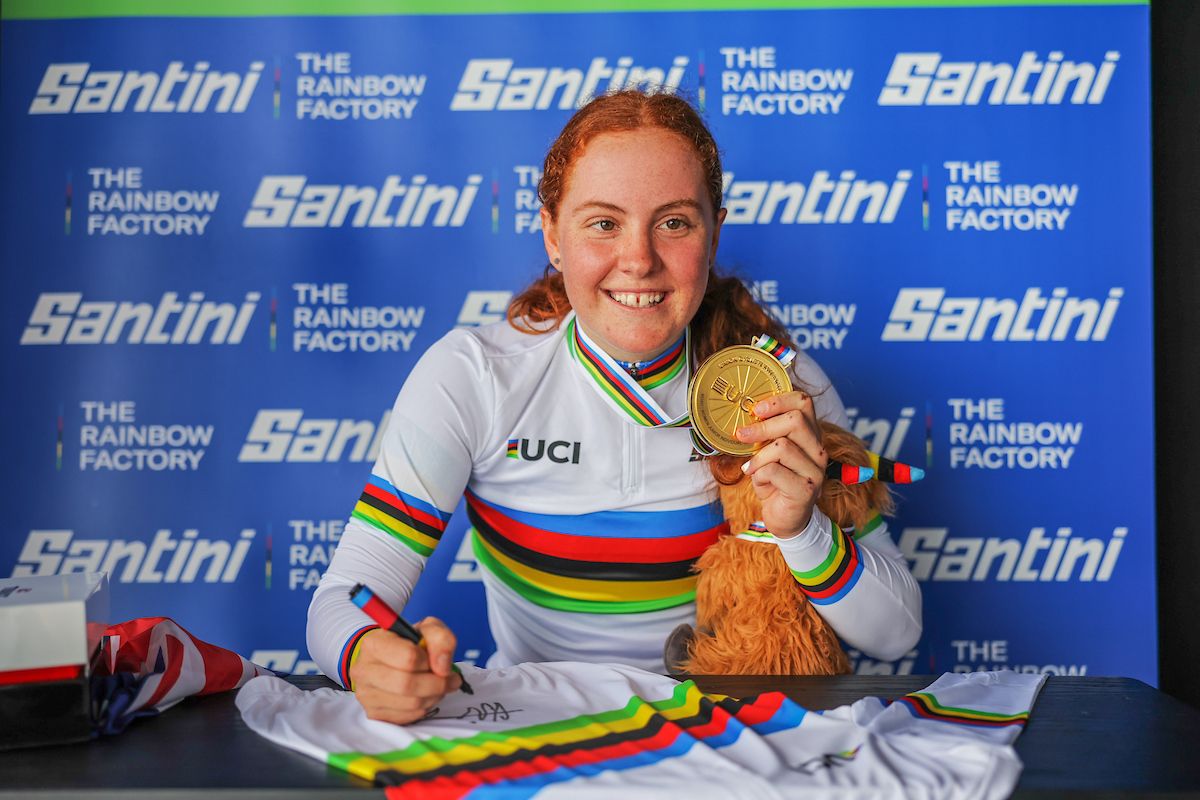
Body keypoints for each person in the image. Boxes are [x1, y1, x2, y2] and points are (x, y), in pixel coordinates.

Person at [307, 90, 922, 724]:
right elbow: (345, 595)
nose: (639, 260)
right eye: (604, 223)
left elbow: (896, 632)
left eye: (674, 222)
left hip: (726, 746)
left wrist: (803, 529)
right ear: (552, 234)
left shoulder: (776, 385)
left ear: (712, 236)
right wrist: (368, 656)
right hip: (544, 741)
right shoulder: (475, 377)